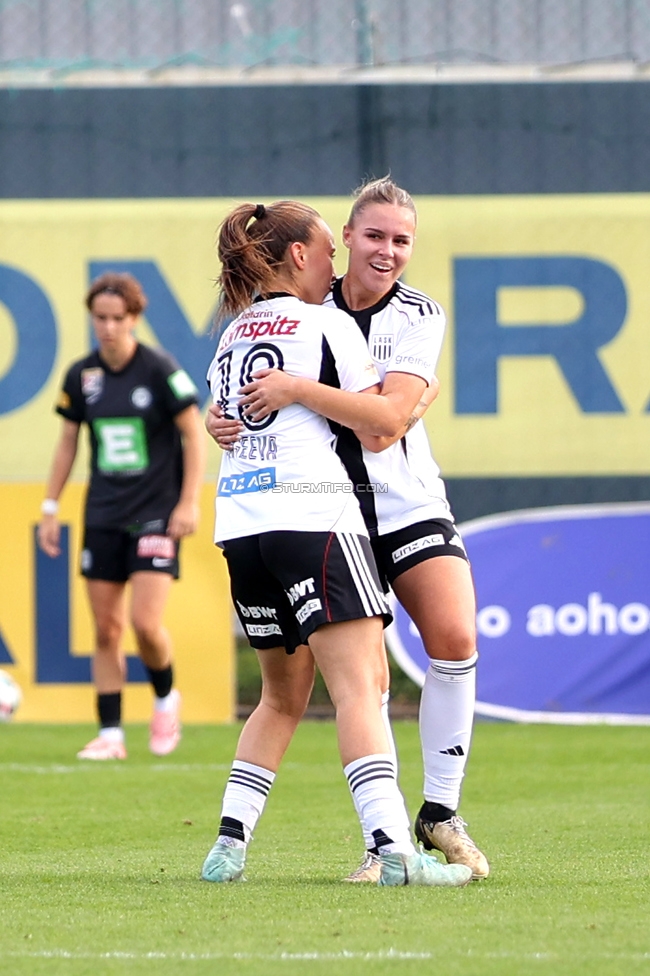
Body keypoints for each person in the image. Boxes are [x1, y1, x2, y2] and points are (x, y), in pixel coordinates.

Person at [207, 178, 489, 882]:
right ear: (337, 244)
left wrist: (296, 395)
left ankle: (437, 812)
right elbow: (379, 414)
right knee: (354, 681)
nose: (385, 252)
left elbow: (387, 425)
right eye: (370, 237)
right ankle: (384, 846)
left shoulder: (420, 314)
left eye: (401, 240)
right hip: (326, 513)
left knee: (453, 639)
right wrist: (230, 421)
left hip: (398, 501)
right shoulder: (313, 305)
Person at [37, 271, 205, 761]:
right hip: (103, 514)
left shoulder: (159, 370)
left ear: (134, 318)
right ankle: (110, 734)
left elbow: (194, 435)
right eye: (100, 318)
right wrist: (51, 506)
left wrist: (188, 501)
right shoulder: (81, 376)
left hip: (154, 514)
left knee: (145, 624)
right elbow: (68, 441)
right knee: (106, 629)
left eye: (117, 318)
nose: (108, 328)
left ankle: (164, 697)